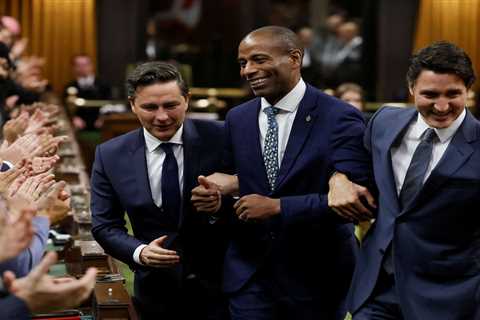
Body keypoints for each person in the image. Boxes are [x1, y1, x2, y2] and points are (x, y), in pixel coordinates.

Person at [192, 26, 371, 320]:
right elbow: (233, 185)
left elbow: (357, 201)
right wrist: (214, 201)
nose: (248, 70)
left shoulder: (339, 116)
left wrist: (278, 207)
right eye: (242, 63)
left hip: (317, 279)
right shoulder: (238, 118)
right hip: (250, 276)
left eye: (259, 60)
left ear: (294, 58)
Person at [329, 41, 480, 319]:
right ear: (411, 89)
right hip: (377, 288)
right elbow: (354, 166)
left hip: (448, 298)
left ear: (468, 90)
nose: (442, 105)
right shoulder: (384, 121)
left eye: (453, 94)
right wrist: (338, 179)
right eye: (430, 94)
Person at [90, 61, 230, 319]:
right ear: (132, 105)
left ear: (187, 100)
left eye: (171, 105)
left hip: (222, 289)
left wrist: (220, 206)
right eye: (150, 107)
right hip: (154, 293)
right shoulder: (110, 155)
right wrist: (139, 252)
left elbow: (256, 198)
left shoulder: (221, 138)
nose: (162, 116)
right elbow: (104, 225)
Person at [63, 54, 112, 130]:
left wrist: (104, 118)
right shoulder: (69, 87)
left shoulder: (103, 85)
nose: (82, 68)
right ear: (73, 68)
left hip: (101, 125)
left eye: (85, 65)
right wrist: (73, 118)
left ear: (91, 66)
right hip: (79, 127)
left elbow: (109, 103)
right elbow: (65, 108)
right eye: (78, 65)